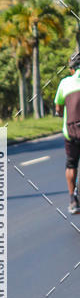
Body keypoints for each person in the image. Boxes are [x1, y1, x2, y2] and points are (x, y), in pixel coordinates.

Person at [54, 51, 80, 214]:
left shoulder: (65, 83)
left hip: (71, 132)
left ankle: (73, 200)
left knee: (71, 164)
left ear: (71, 69)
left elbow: (58, 107)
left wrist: (59, 112)